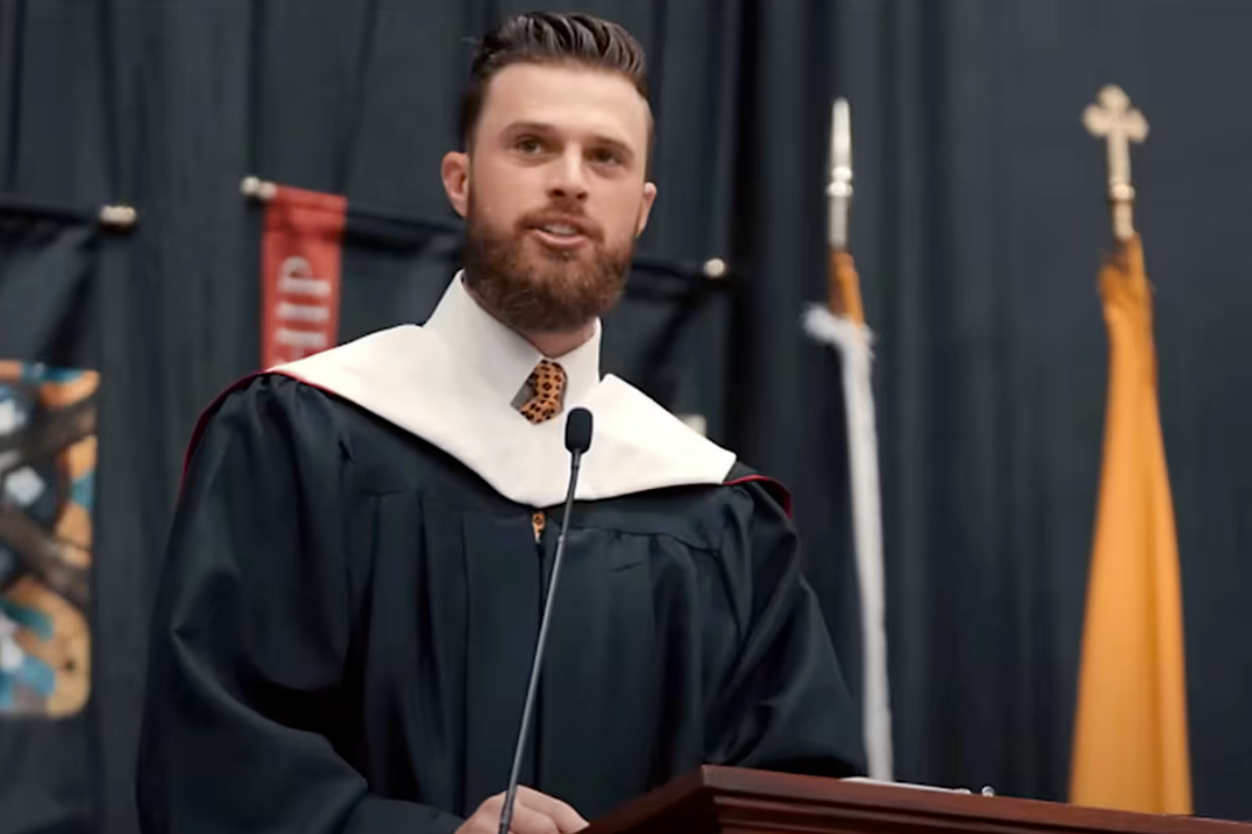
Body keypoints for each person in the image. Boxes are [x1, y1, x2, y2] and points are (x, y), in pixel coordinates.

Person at [136, 11, 863, 834]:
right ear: (460, 180)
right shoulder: (304, 435)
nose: (571, 181)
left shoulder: (717, 511)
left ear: (642, 208)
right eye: (531, 145)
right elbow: (215, 767)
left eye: (606, 158)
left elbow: (791, 800)